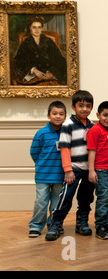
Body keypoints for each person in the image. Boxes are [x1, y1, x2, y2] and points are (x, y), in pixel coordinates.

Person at [45, 90, 96, 241]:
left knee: (86, 197)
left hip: (88, 169)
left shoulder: (92, 126)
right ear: (74, 106)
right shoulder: (68, 125)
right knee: (66, 197)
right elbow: (65, 148)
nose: (84, 109)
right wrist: (68, 170)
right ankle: (55, 223)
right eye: (81, 105)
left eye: (88, 106)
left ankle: (82, 222)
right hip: (73, 168)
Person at [28, 101, 66, 238]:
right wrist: (41, 165)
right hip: (43, 175)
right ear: (48, 115)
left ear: (65, 116)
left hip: (60, 175)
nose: (58, 116)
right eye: (54, 113)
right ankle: (36, 225)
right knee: (41, 201)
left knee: (57, 202)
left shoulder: (66, 132)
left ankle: (53, 225)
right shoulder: (41, 133)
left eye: (61, 114)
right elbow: (34, 152)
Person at [87, 101, 108, 240]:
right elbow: (92, 151)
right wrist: (91, 170)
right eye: (105, 115)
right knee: (103, 198)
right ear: (98, 115)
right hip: (101, 170)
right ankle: (100, 225)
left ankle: (105, 222)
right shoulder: (95, 130)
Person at [14, 16, 67, 85]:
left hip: (49, 74)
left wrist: (52, 73)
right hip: (33, 76)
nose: (37, 30)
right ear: (29, 28)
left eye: (39, 27)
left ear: (42, 28)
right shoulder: (25, 43)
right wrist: (33, 70)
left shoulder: (49, 41)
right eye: (34, 27)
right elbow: (18, 61)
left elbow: (59, 59)